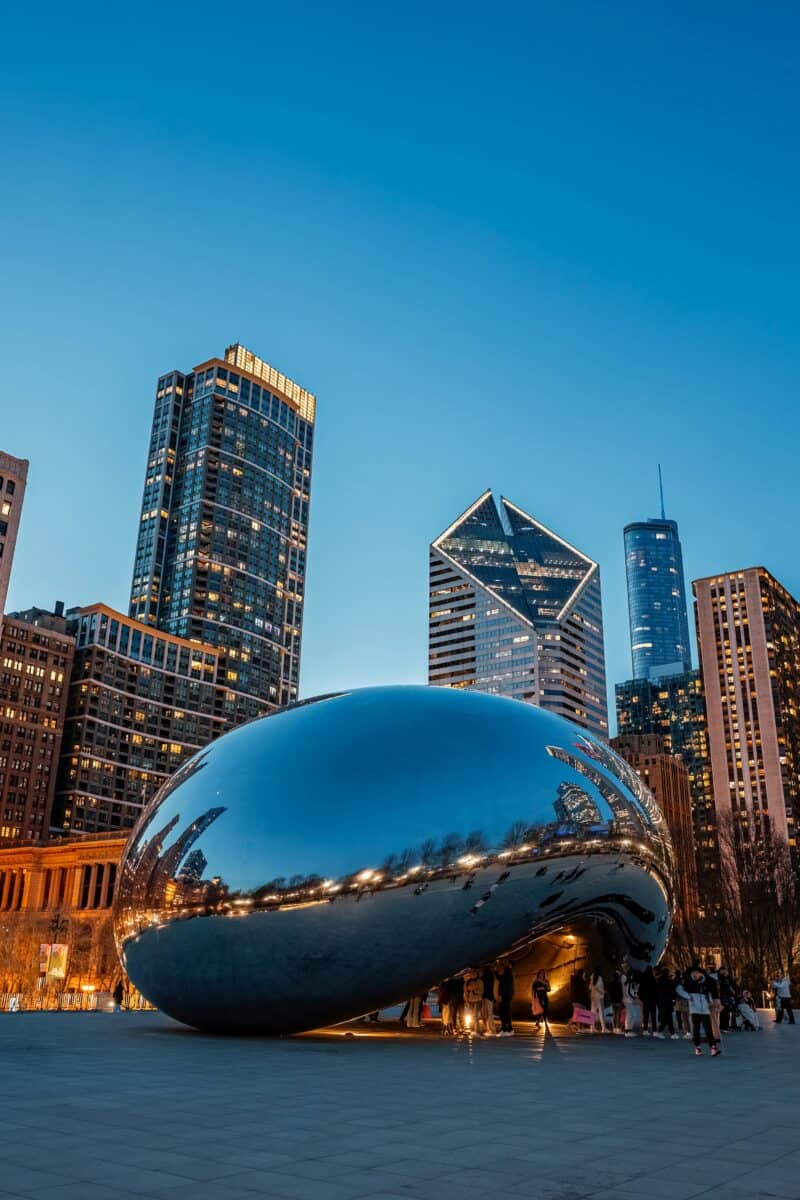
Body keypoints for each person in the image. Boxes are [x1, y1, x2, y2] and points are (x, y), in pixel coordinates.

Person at [677, 964, 720, 1056]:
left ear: (700, 973)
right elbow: (679, 989)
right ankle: (697, 1047)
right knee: (696, 1030)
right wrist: (689, 996)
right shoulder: (689, 982)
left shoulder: (708, 981)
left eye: (696, 973)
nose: (695, 975)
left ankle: (713, 1048)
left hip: (705, 1009)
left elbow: (712, 993)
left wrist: (713, 1002)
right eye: (693, 974)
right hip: (694, 1010)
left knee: (708, 1029)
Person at [655, 966, 678, 1039]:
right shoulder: (667, 981)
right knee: (667, 1017)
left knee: (667, 1017)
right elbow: (671, 989)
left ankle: (672, 1033)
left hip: (662, 1000)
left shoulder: (659, 980)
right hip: (667, 1000)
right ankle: (661, 1031)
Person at [496, 961, 515, 1037]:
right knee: (506, 1013)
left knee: (504, 1013)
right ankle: (507, 1029)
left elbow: (502, 982)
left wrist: (500, 995)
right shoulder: (509, 974)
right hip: (507, 996)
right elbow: (501, 979)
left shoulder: (507, 973)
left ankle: (506, 1029)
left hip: (505, 996)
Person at [638, 966, 658, 1036]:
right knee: (653, 1015)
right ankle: (655, 1030)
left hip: (645, 1000)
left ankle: (645, 1030)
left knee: (645, 1015)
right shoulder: (653, 979)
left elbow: (640, 990)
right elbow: (656, 989)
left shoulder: (643, 979)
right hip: (652, 999)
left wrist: (641, 998)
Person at [463, 969, 483, 1034]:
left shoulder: (479, 981)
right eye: (471, 974)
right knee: (472, 1015)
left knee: (475, 1015)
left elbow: (482, 991)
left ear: (476, 974)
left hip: (477, 1000)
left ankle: (476, 1030)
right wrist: (466, 1000)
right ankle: (473, 1029)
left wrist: (474, 990)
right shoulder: (467, 982)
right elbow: (466, 992)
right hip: (471, 1001)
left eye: (474, 974)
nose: (472, 975)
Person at [705, 961, 722, 1041]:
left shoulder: (710, 979)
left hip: (713, 999)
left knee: (713, 1019)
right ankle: (716, 1035)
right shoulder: (717, 979)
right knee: (716, 1019)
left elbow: (709, 991)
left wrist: (710, 1001)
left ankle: (716, 1036)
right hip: (717, 999)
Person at [621, 967, 641, 1037]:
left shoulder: (626, 982)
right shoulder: (628, 982)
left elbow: (628, 991)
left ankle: (628, 1030)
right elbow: (629, 992)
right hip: (628, 1000)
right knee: (630, 1015)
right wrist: (634, 998)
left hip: (627, 1000)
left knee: (631, 1015)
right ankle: (628, 1031)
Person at [589, 969, 609, 1033]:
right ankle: (603, 1028)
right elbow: (599, 987)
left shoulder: (592, 977)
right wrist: (602, 992)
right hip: (599, 997)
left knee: (593, 1013)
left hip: (593, 997)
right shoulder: (599, 978)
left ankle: (592, 1028)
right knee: (601, 1013)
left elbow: (590, 987)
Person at [481, 964, 498, 1037]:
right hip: (489, 996)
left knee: (488, 1014)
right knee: (489, 1013)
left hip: (487, 996)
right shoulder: (492, 976)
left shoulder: (485, 977)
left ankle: (491, 1030)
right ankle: (490, 1029)